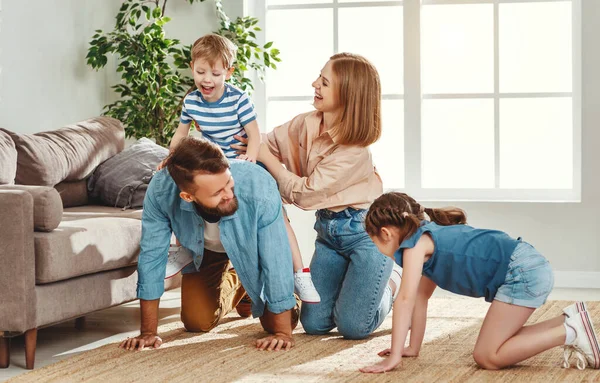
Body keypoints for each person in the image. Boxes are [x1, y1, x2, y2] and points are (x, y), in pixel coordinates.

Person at [234, 53, 402, 339]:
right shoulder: (307, 123)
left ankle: (392, 281)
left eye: (324, 82)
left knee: (353, 326)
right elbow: (266, 142)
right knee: (314, 324)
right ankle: (357, 285)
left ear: (347, 95)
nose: (315, 84)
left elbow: (306, 195)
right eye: (318, 77)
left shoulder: (355, 152)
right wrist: (243, 140)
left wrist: (265, 156)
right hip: (329, 234)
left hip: (367, 234)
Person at [359, 192, 600, 373]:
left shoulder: (415, 246)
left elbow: (404, 300)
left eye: (374, 242)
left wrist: (393, 360)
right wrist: (411, 348)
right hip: (526, 264)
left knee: (487, 356)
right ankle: (568, 321)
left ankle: (569, 332)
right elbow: (420, 299)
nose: (378, 250)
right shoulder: (428, 237)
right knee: (495, 345)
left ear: (386, 233)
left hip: (521, 272)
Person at [159, 33, 319, 303]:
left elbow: (254, 136)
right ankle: (183, 248)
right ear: (192, 69)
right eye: (200, 72)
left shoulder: (238, 99)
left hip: (243, 164)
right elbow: (181, 133)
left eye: (215, 73)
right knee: (180, 193)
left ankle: (300, 272)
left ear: (229, 73)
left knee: (278, 217)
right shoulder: (192, 102)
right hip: (213, 167)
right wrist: (171, 155)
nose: (207, 79)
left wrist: (250, 161)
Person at [120, 137, 300, 352]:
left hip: (254, 248)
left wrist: (282, 333)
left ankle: (273, 287)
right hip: (205, 251)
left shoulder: (258, 184)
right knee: (196, 322)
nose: (228, 194)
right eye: (217, 193)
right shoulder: (160, 192)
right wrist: (148, 332)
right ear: (188, 196)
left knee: (277, 323)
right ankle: (241, 283)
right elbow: (152, 255)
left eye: (228, 183)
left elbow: (275, 256)